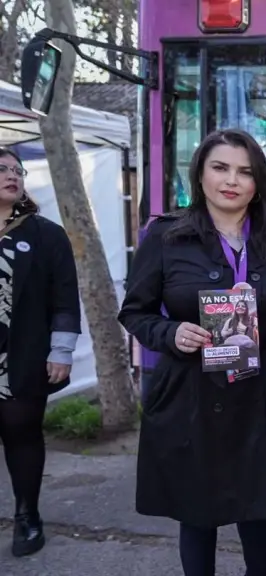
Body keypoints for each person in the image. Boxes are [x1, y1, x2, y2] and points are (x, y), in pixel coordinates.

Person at [118, 129, 266, 576]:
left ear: (258, 182)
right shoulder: (167, 237)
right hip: (192, 397)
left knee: (258, 508)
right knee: (196, 512)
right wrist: (170, 333)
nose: (232, 181)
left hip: (262, 396)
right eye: (220, 168)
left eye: (245, 171)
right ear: (200, 174)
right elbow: (135, 312)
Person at [0, 147, 81, 557]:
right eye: (2, 169)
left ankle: (27, 515)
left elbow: (65, 298)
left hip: (21, 358)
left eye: (18, 169)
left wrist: (61, 351)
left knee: (21, 436)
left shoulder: (45, 233)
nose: (12, 175)